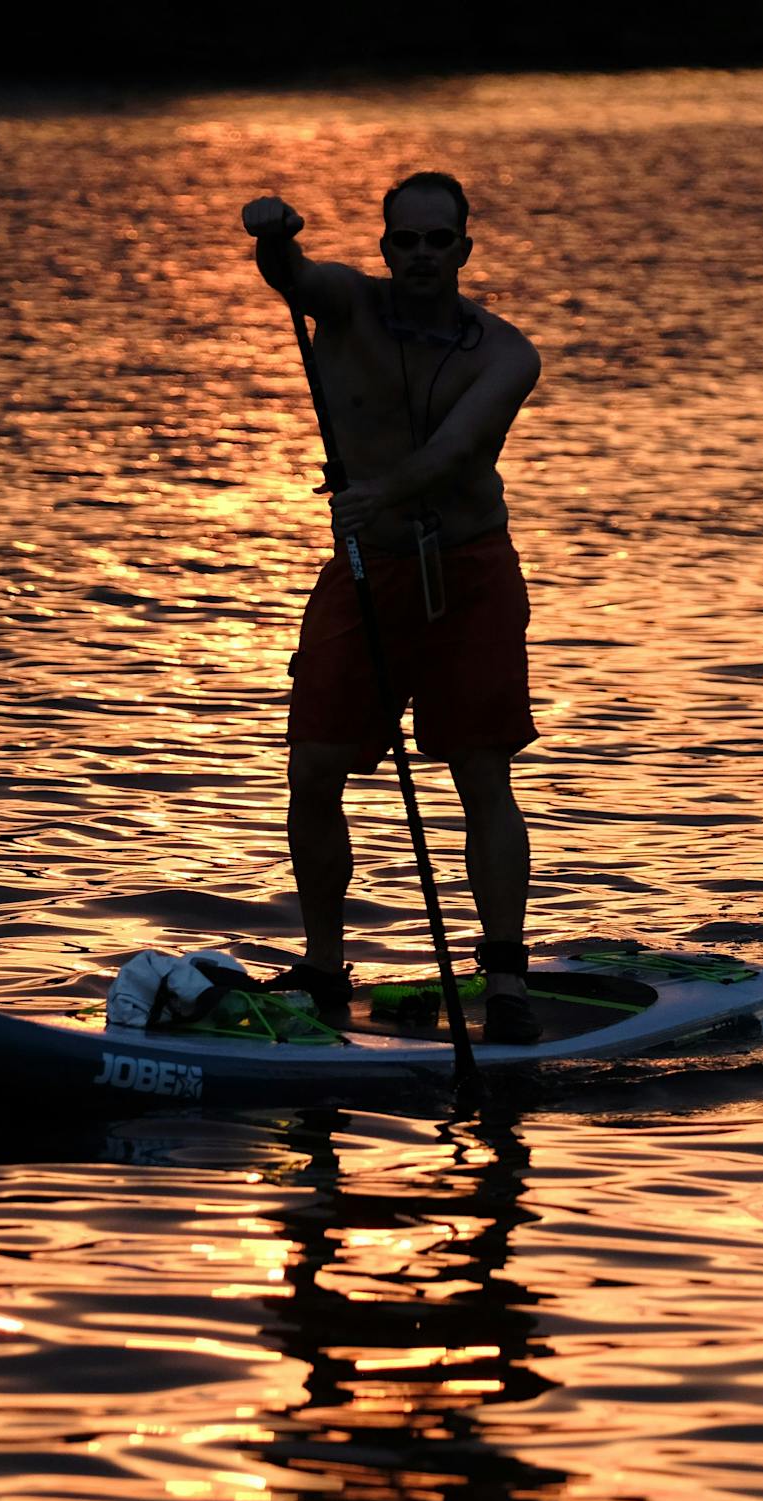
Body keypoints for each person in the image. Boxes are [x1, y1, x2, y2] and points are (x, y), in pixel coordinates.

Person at [242, 170, 545, 1044]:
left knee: (482, 774)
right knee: (312, 771)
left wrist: (380, 493)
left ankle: (508, 972)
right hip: (366, 571)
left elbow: (459, 449)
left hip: (470, 573)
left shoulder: (505, 354)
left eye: (436, 241)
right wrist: (273, 239)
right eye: (404, 240)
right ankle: (325, 964)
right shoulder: (346, 304)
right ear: (385, 249)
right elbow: (293, 279)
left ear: (463, 250)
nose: (419, 255)